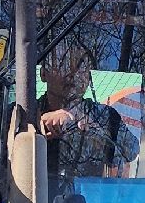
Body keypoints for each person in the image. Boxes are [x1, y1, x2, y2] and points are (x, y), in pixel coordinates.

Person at [36, 39, 137, 184]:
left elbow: (119, 164)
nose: (72, 75)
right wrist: (39, 126)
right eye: (63, 65)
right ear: (43, 74)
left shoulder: (98, 122)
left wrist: (94, 135)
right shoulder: (21, 109)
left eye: (82, 70)